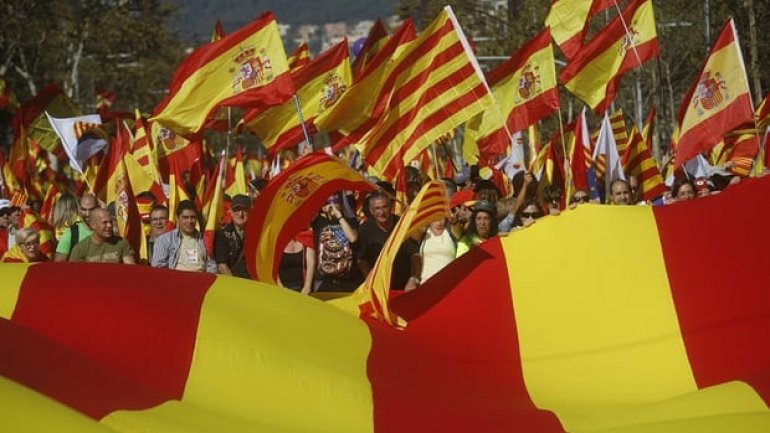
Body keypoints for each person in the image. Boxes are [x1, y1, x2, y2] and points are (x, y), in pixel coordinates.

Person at [357, 191, 420, 290]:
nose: (381, 212)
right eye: (377, 208)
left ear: (391, 207)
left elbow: (415, 255)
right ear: (371, 211)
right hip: (378, 287)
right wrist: (370, 281)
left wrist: (413, 279)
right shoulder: (364, 230)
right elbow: (362, 260)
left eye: (384, 207)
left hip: (404, 286)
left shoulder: (402, 224)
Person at [312, 193, 362, 292]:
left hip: (347, 281)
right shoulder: (318, 222)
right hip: (324, 281)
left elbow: (352, 238)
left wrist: (339, 217)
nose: (332, 206)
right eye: (327, 203)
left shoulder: (351, 221)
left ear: (341, 204)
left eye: (335, 202)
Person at [152, 200, 216, 273]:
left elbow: (211, 265)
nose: (189, 221)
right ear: (177, 218)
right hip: (177, 281)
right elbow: (158, 267)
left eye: (192, 217)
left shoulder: (204, 239)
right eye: (185, 217)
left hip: (202, 280)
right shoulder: (165, 240)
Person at [69, 208, 135, 264]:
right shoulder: (79, 249)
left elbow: (131, 271)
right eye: (105, 222)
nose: (109, 225)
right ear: (93, 225)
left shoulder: (121, 243)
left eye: (110, 222)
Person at [214, 194, 252, 278]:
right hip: (231, 283)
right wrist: (236, 285)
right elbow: (222, 265)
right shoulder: (223, 234)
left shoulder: (257, 234)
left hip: (254, 283)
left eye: (244, 210)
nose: (240, 214)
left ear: (250, 212)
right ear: (231, 212)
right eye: (236, 210)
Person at [55, 193, 99, 262]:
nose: (87, 214)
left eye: (92, 209)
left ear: (99, 208)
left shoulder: (109, 231)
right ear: (79, 210)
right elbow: (58, 265)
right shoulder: (71, 233)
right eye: (84, 209)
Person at [416, 218, 456, 286]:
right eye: (436, 217)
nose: (438, 221)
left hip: (447, 284)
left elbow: (458, 231)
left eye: (441, 217)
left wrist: (455, 222)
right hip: (425, 283)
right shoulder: (423, 232)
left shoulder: (451, 231)